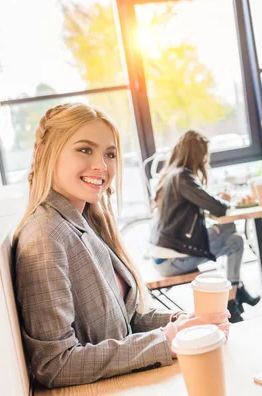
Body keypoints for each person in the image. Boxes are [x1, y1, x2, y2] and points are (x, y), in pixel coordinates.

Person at [13, 103, 230, 389]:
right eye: (85, 149)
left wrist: (183, 321)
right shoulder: (45, 238)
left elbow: (126, 319)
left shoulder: (84, 220)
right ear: (46, 153)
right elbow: (54, 364)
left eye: (110, 154)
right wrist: (166, 341)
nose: (101, 166)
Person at [150, 129, 260, 323]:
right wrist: (224, 200)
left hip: (165, 257)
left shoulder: (171, 175)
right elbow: (218, 208)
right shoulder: (183, 177)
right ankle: (234, 295)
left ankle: (234, 296)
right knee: (231, 235)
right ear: (198, 155)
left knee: (235, 239)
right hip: (173, 261)